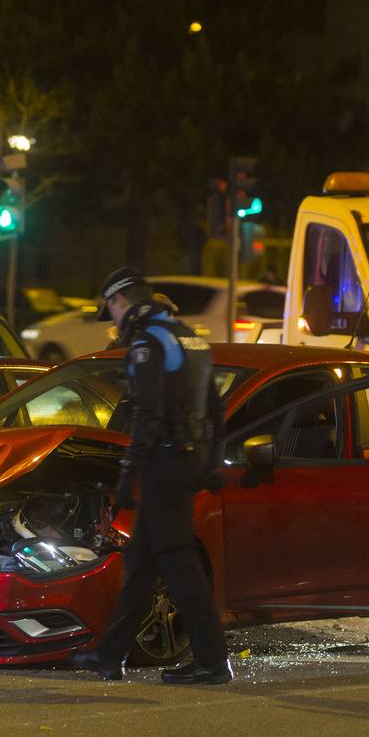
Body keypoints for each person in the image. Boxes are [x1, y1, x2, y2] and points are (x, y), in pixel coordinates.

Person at [70, 267, 232, 685]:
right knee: (141, 564)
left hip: (165, 463)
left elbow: (148, 413)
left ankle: (213, 660)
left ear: (121, 301)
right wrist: (211, 461)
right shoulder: (188, 336)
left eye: (113, 310)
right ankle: (110, 655)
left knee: (179, 566)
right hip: (187, 459)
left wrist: (127, 477)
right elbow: (215, 408)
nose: (115, 321)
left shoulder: (148, 342)